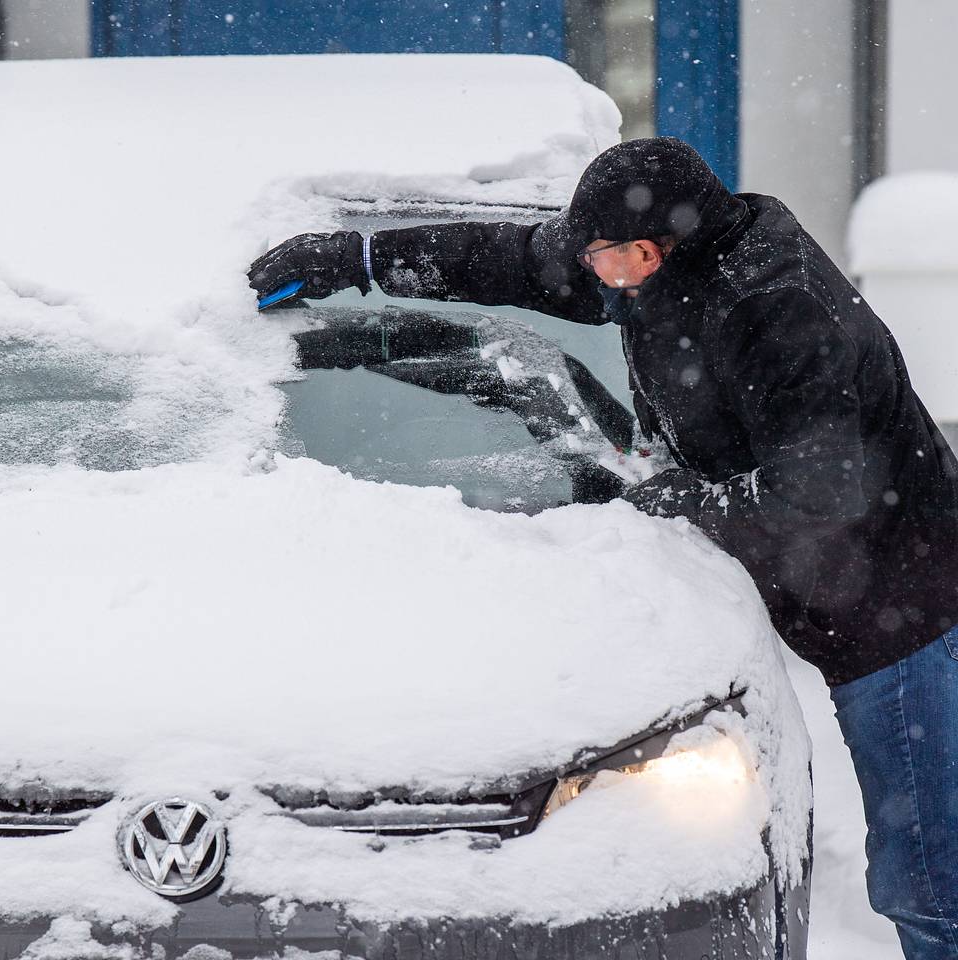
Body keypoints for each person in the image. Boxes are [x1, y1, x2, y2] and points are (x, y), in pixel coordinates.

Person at [248, 137, 958, 959]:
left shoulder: (785, 314)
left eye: (604, 260)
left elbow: (819, 495)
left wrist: (677, 504)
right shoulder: (641, 255)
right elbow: (512, 260)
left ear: (654, 250)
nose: (589, 276)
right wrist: (363, 257)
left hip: (905, 611)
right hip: (842, 593)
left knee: (932, 883)